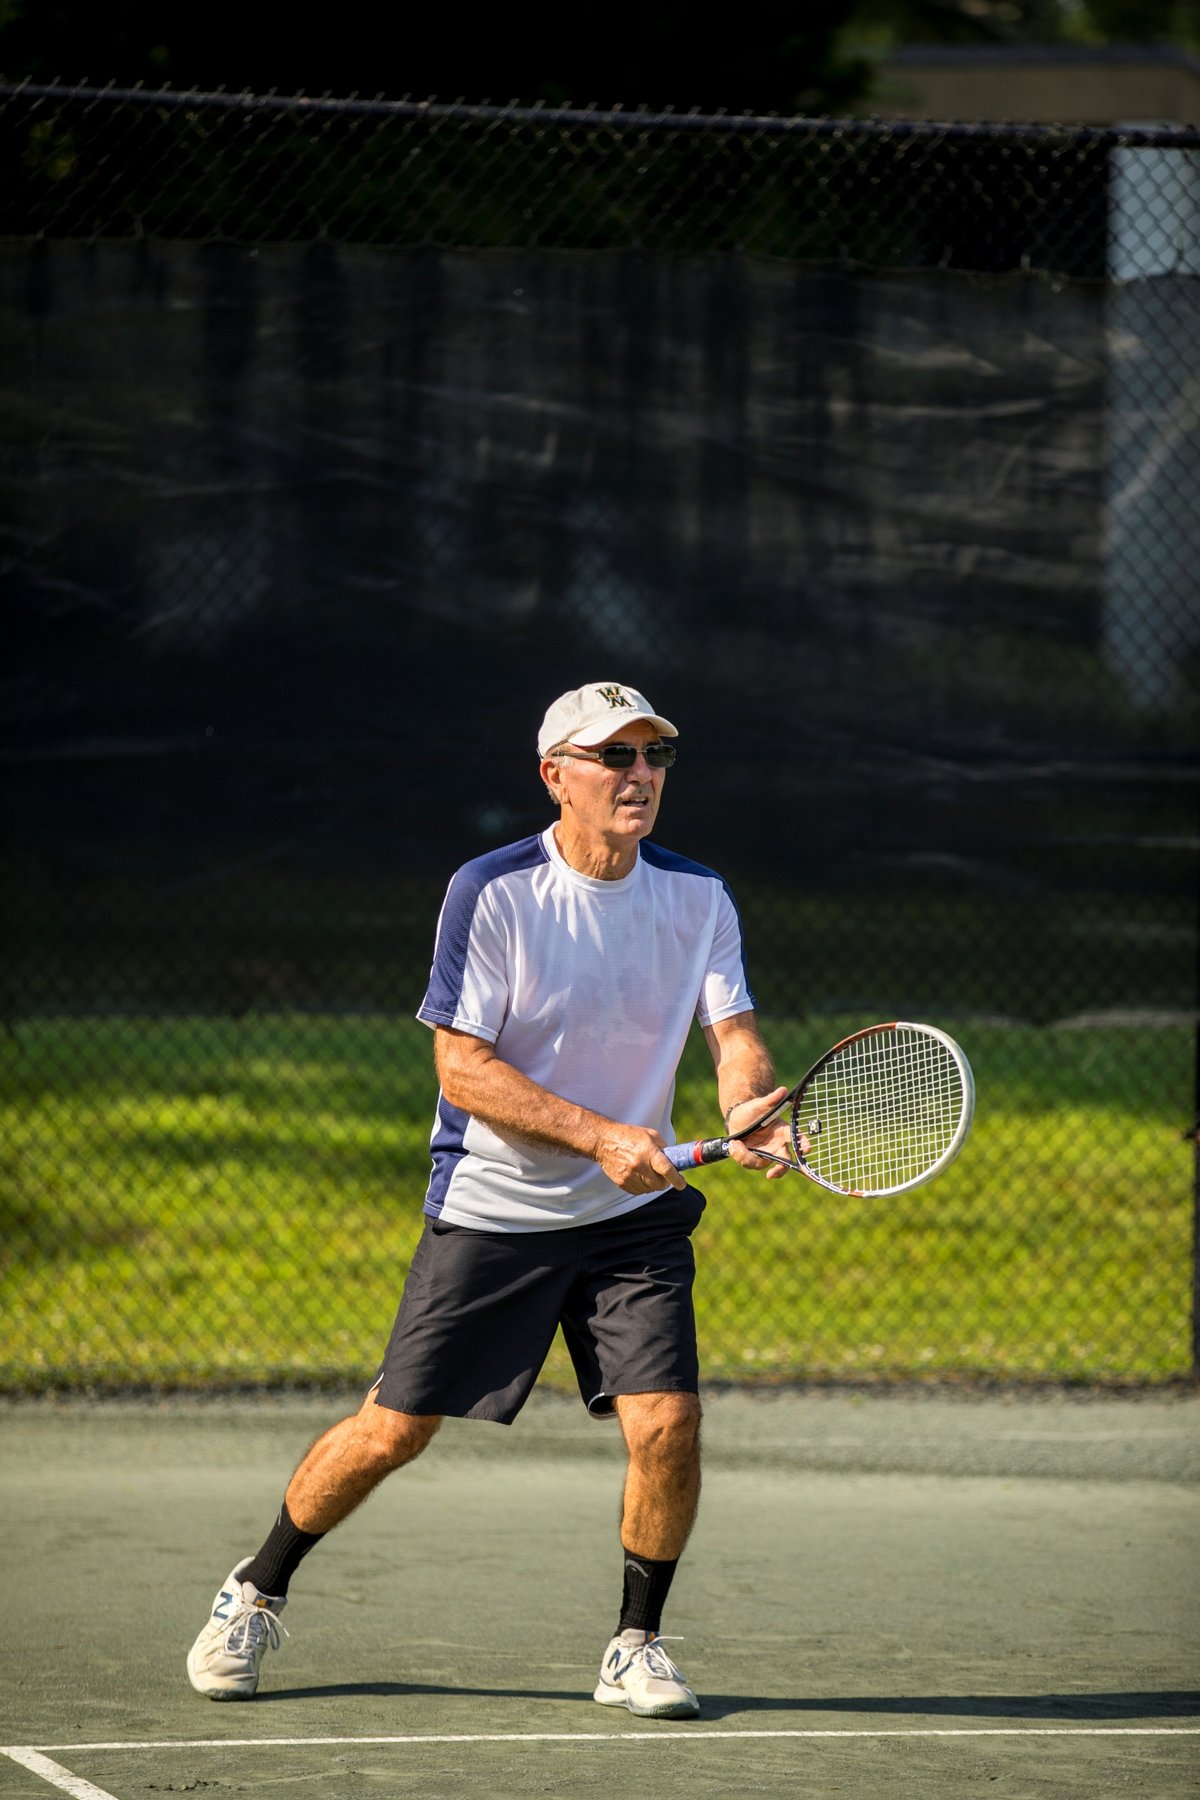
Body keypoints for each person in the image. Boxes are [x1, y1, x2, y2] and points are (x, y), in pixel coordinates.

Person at [186, 679, 790, 1719]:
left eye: (654, 757)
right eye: (615, 757)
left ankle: (635, 1643)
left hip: (628, 1225)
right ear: (556, 776)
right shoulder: (494, 890)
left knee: (669, 1425)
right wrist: (600, 1134)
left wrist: (746, 1111)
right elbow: (462, 1070)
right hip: (495, 1211)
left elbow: (732, 1035)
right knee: (394, 1431)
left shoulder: (699, 896)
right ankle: (258, 1586)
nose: (639, 775)